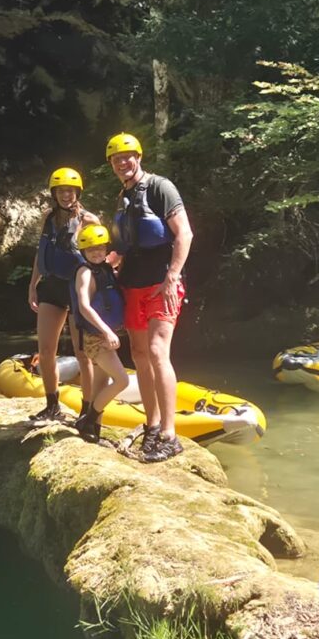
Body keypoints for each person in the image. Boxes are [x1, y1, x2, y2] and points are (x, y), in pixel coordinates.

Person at [106, 133, 193, 462]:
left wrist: (172, 276)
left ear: (139, 157)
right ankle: (153, 424)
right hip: (132, 285)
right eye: (116, 160)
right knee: (140, 353)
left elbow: (184, 232)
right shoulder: (123, 198)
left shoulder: (160, 187)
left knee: (158, 351)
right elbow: (122, 248)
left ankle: (170, 434)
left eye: (127, 157)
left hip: (161, 284)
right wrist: (100, 266)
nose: (122, 163)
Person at [28, 167, 99, 422]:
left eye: (70, 190)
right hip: (51, 288)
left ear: (77, 192)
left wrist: (93, 293)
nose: (66, 195)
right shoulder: (47, 217)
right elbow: (41, 253)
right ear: (54, 194)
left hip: (76, 289)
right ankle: (52, 406)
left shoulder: (88, 220)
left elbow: (98, 258)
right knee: (46, 351)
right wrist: (33, 284)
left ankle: (87, 411)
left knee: (83, 354)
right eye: (61, 191)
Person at [70, 224, 130, 443]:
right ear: (84, 252)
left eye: (100, 248)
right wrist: (106, 331)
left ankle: (93, 430)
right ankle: (88, 419)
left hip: (103, 336)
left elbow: (120, 255)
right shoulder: (85, 272)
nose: (96, 253)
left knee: (100, 384)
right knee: (122, 380)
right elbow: (85, 306)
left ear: (106, 249)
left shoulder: (104, 267)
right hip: (96, 338)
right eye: (91, 250)